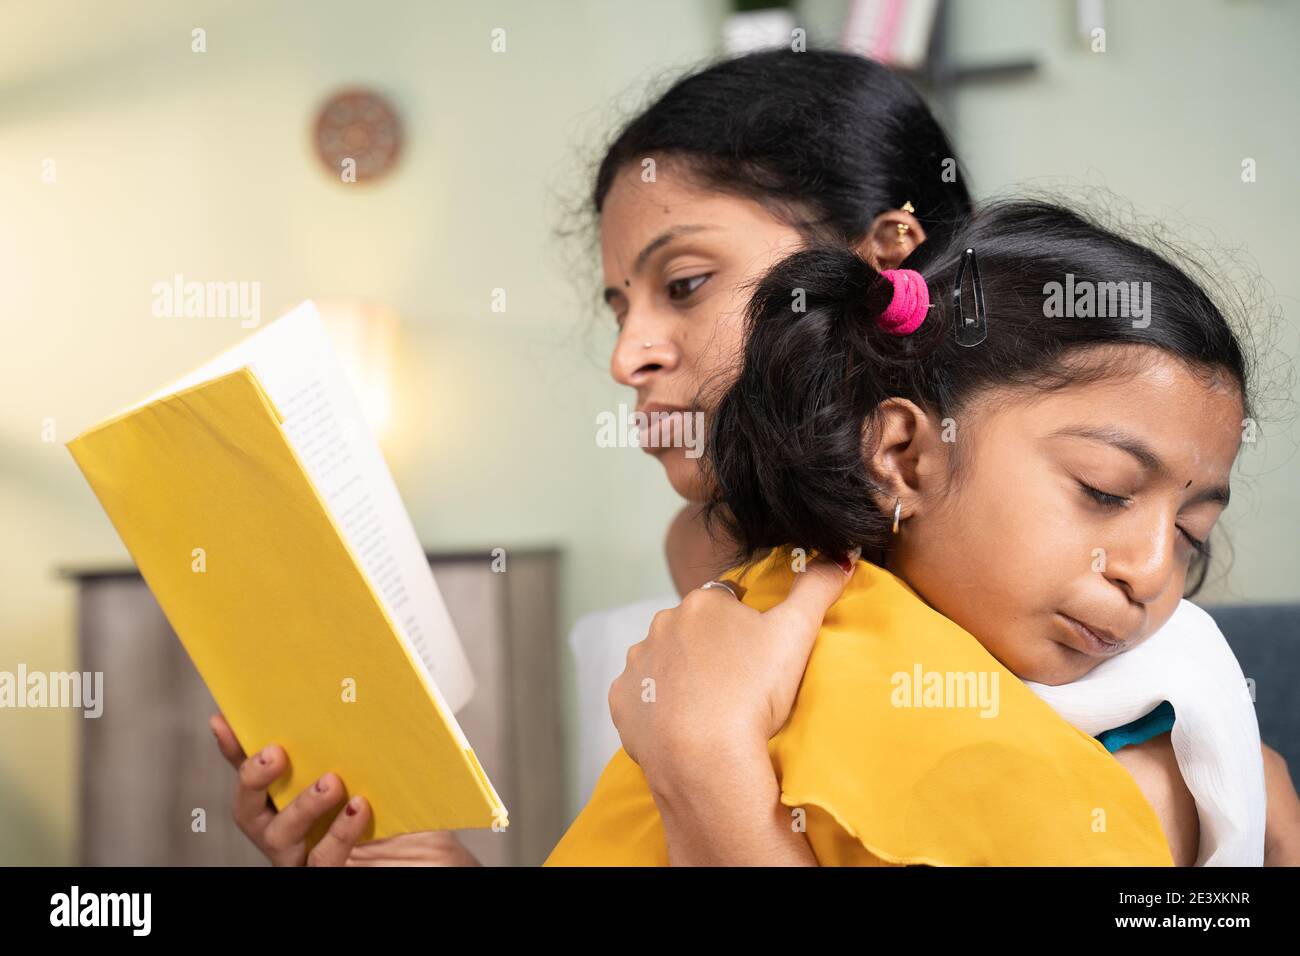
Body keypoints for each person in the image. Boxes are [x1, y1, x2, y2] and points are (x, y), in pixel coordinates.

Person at [209, 49, 1299, 865]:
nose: (629, 354)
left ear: (880, 259)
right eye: (619, 305)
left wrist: (712, 768)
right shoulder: (728, 589)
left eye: (682, 282)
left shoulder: (1107, 721)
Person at [550, 200, 1262, 865]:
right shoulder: (927, 712)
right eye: (1104, 490)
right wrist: (707, 767)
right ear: (900, 456)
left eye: (1192, 534)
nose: (1150, 569)